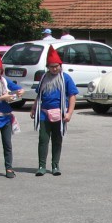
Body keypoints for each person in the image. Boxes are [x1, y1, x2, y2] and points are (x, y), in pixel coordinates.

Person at [30, 44, 78, 176]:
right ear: (48, 67)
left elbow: (72, 96)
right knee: (43, 139)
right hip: (44, 113)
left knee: (57, 139)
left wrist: (69, 113)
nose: (54, 69)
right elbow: (38, 95)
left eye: (56, 66)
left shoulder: (65, 78)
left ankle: (55, 165)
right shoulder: (44, 78)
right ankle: (41, 166)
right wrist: (34, 108)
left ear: (60, 66)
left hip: (59, 113)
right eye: (52, 66)